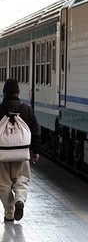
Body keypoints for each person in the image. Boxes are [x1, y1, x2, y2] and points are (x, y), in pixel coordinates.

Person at [0, 79, 41, 223]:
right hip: (22, 153)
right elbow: (35, 131)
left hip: (2, 154)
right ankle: (20, 201)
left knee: (3, 184)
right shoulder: (26, 109)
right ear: (18, 92)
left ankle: (9, 214)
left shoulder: (0, 109)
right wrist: (35, 150)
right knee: (22, 179)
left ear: (4, 92)